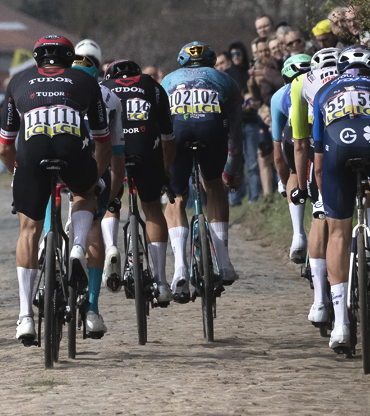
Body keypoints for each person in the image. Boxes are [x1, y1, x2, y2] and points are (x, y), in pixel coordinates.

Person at [0, 35, 111, 343]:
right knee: (84, 194)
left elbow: (5, 148)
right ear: (69, 57)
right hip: (72, 149)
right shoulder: (84, 80)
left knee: (28, 230)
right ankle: (77, 246)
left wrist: (21, 178)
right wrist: (95, 178)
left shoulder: (18, 80)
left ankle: (24, 318)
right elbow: (103, 141)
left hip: (30, 154)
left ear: (37, 59)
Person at [313, 45, 370, 350]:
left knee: (338, 232)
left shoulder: (324, 91)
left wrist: (321, 194)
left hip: (337, 150)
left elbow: (316, 157)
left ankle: (340, 324)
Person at [161, 41, 243, 300]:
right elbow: (235, 131)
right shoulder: (223, 78)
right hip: (211, 130)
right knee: (214, 184)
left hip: (178, 132)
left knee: (176, 198)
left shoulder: (168, 79)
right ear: (210, 61)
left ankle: (179, 269)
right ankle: (225, 261)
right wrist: (232, 169)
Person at [102, 58, 176, 307]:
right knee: (152, 207)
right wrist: (165, 171)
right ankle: (162, 282)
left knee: (108, 200)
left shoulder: (103, 88)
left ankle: (111, 247)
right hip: (146, 149)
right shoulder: (152, 85)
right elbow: (168, 137)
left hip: (115, 149)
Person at [67, 52, 125, 336]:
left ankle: (45, 243)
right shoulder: (110, 97)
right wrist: (111, 196)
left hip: (54, 153)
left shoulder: (53, 88)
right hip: (96, 161)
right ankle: (92, 309)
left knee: (47, 193)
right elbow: (116, 154)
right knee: (92, 222)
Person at [291, 47, 340, 326]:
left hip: (319, 151)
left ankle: (320, 301)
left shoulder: (302, 81)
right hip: (362, 144)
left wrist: (301, 187)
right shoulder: (354, 77)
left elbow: (299, 143)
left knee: (320, 216)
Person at [270, 54, 312, 262]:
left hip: (292, 137)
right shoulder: (323, 84)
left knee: (296, 170)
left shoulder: (279, 95)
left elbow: (278, 154)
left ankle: (298, 234)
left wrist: (283, 181)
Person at [227, 41, 262, 204]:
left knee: (252, 163)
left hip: (251, 122)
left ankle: (254, 197)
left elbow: (259, 95)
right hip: (234, 124)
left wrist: (255, 103)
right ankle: (235, 198)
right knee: (235, 163)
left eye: (238, 54)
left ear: (244, 54)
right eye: (232, 54)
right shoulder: (226, 75)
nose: (236, 57)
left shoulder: (250, 73)